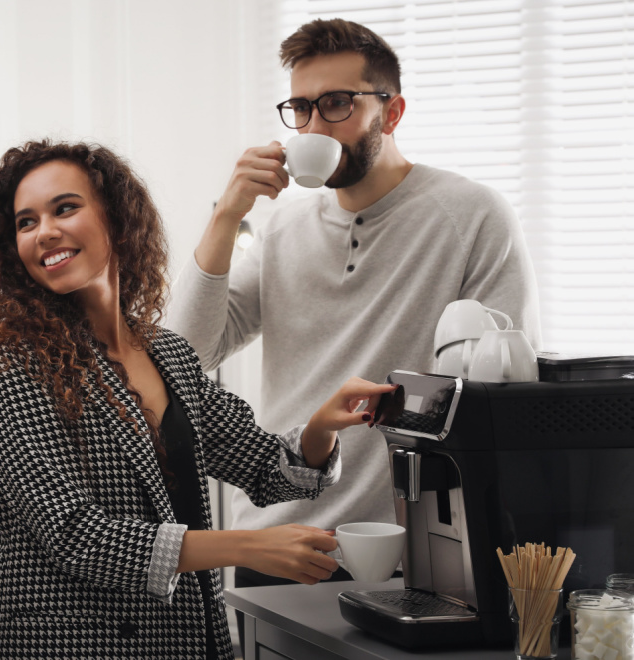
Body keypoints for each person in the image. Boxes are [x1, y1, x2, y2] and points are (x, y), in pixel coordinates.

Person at [0, 140, 396, 659]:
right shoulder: (17, 366)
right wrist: (246, 546)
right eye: (26, 222)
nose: (45, 231)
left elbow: (264, 467)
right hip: (71, 647)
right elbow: (74, 534)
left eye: (65, 208)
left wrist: (321, 429)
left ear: (117, 219)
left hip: (189, 637)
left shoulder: (168, 354)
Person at [169, 18, 542, 594]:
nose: (314, 125)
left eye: (337, 104)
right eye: (302, 108)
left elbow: (505, 387)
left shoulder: (472, 216)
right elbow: (186, 355)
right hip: (276, 544)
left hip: (401, 553)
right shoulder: (282, 226)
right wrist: (226, 217)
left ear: (390, 113)